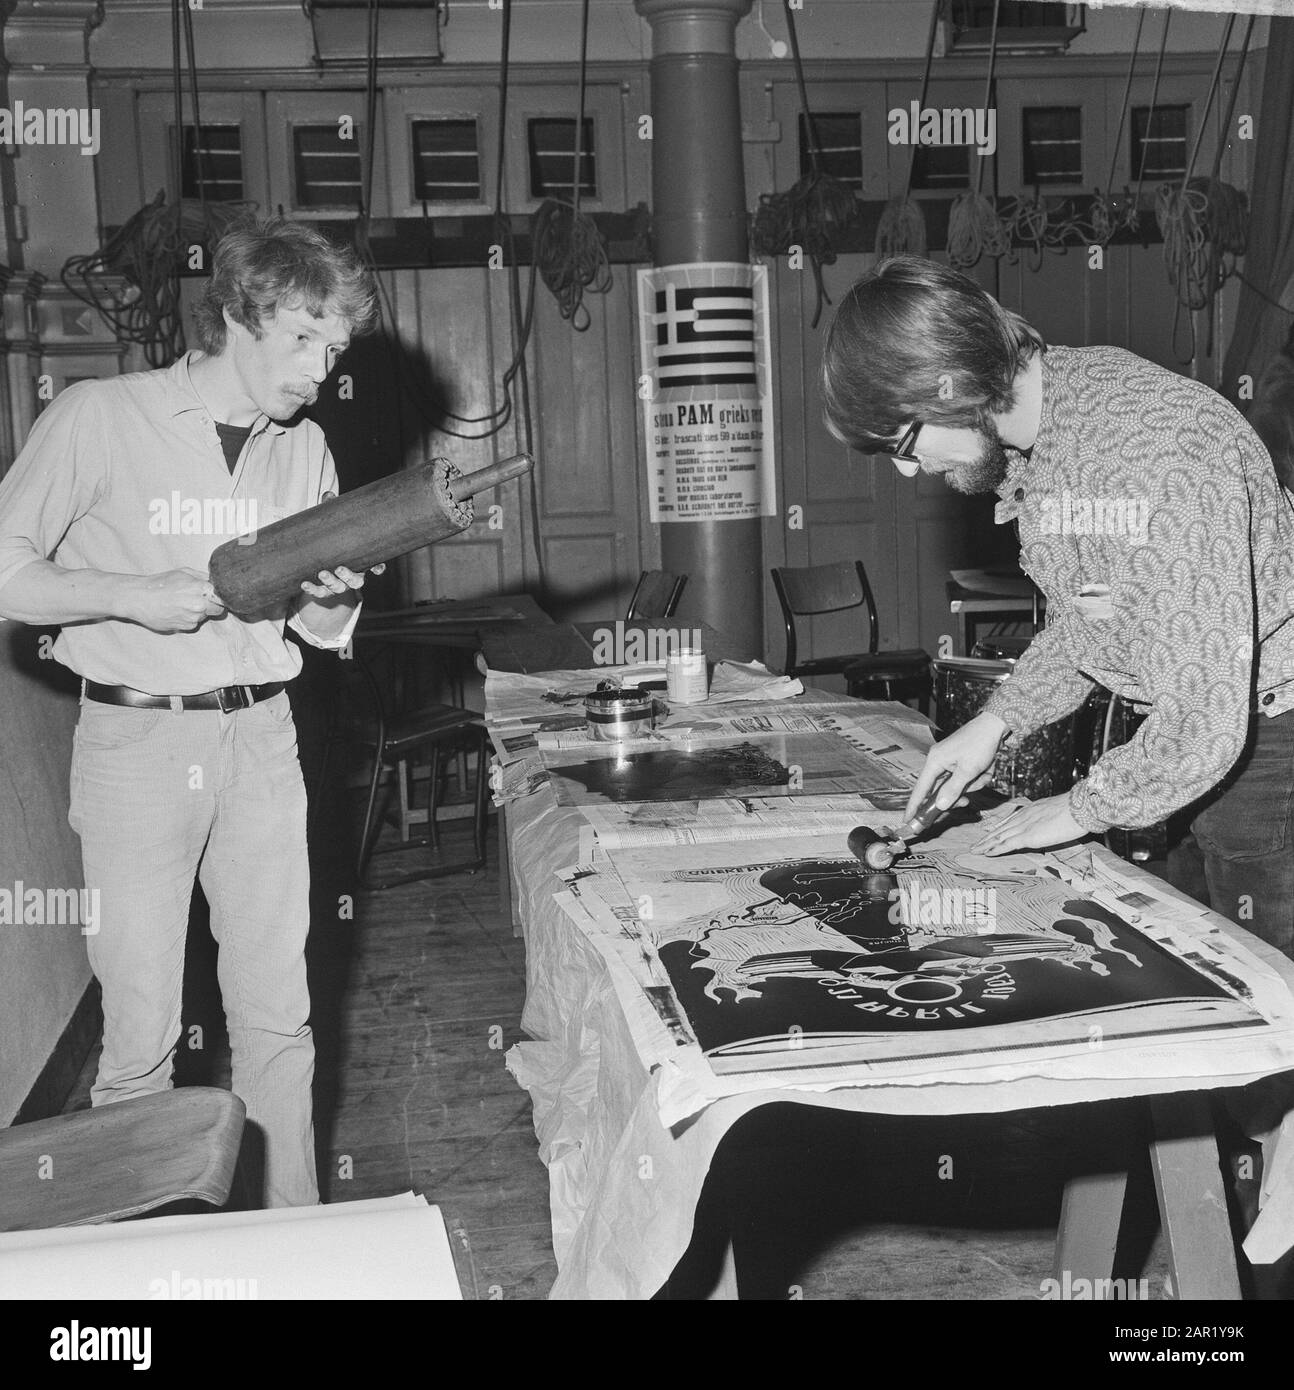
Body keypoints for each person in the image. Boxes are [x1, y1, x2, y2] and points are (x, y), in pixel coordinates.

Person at [0, 216, 380, 1204]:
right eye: (304, 339)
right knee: (137, 1045)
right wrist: (131, 594)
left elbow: (325, 636)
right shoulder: (97, 415)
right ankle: (150, 1276)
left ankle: (296, 1255)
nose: (320, 368)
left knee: (279, 1025)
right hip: (136, 741)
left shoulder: (307, 450)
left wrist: (335, 594)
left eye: (335, 348)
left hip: (262, 737)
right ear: (239, 316)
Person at [820, 256, 1294, 957]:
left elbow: (1202, 717)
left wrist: (1078, 809)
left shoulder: (1155, 450)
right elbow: (1093, 618)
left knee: (1269, 1014)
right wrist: (996, 725)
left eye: (903, 442)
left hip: (1265, 746)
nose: (907, 470)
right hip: (1192, 751)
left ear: (946, 383)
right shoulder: (1050, 429)